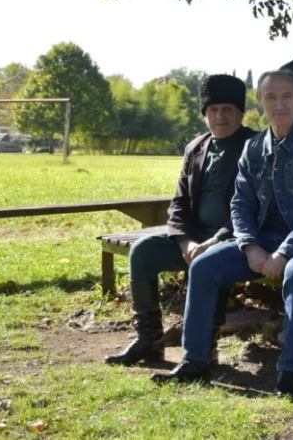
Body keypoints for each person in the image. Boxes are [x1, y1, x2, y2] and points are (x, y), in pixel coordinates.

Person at [152, 70, 293, 396]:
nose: (279, 104)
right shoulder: (253, 147)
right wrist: (250, 246)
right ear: (261, 102)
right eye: (271, 97)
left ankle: (290, 370)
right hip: (259, 240)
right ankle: (195, 360)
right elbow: (240, 204)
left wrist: (284, 253)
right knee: (203, 266)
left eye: (286, 97)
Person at [103, 74, 256, 366]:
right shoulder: (196, 147)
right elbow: (179, 204)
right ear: (204, 115)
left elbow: (253, 206)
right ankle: (149, 340)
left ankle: (205, 347)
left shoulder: (254, 146)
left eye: (227, 109)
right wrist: (186, 241)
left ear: (240, 113)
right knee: (143, 252)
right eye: (213, 110)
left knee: (211, 261)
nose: (220, 116)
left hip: (236, 239)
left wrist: (215, 240)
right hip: (193, 238)